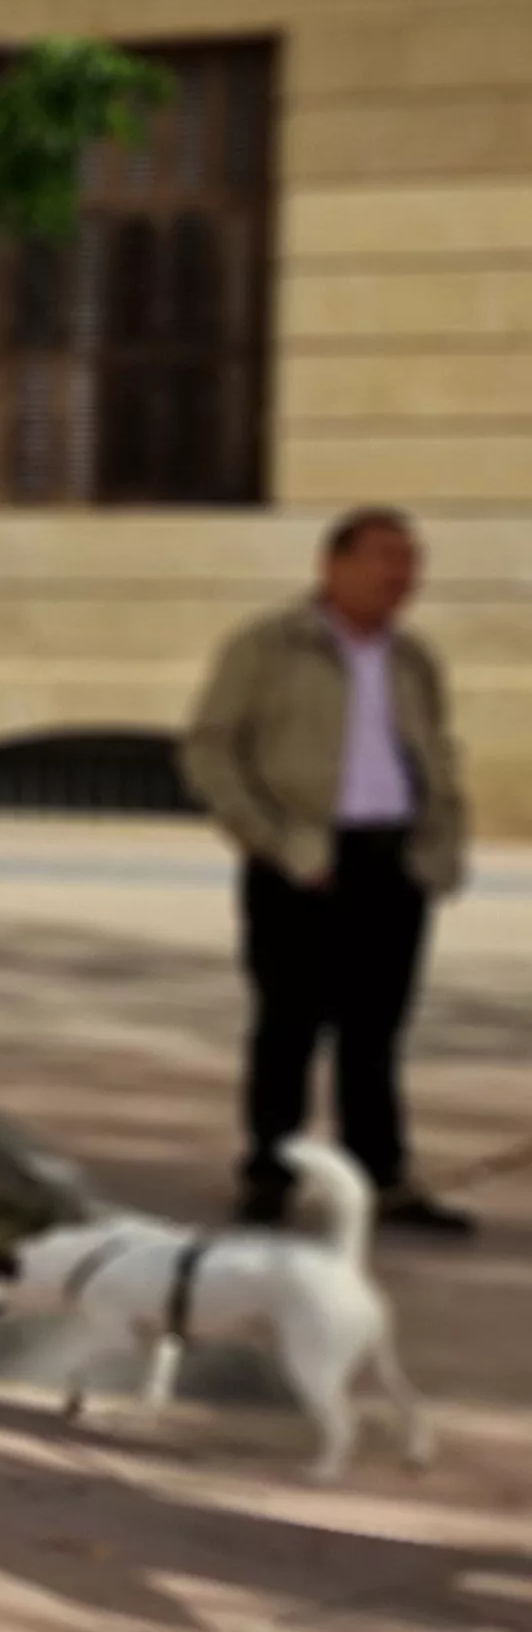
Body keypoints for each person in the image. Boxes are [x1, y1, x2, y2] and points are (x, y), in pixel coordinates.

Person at [183, 508, 475, 1235]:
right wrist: (271, 839)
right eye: (385, 557)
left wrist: (439, 846)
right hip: (302, 859)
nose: (401, 575)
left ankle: (380, 1177)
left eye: (411, 560)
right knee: (288, 1024)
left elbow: (435, 750)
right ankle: (270, 1173)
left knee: (376, 1030)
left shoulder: (413, 657)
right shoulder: (270, 645)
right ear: (332, 565)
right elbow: (211, 749)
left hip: (394, 859)